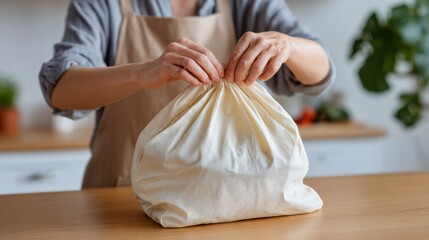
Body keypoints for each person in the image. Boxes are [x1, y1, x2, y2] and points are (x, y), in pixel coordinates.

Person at [39, 0, 335, 188]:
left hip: (224, 197)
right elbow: (61, 90)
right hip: (121, 198)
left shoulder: (246, 4)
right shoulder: (103, 5)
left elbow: (320, 73)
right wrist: (143, 73)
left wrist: (288, 45)